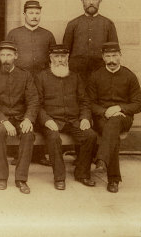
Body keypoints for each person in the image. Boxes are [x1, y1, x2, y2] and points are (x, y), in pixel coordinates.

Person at [35, 44, 98, 191]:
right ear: (51, 58)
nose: (60, 60)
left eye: (63, 56)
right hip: (52, 120)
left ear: (67, 58)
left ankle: (82, 173)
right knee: (54, 138)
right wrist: (46, 120)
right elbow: (36, 104)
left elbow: (84, 101)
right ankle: (59, 177)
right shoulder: (41, 77)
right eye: (56, 56)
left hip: (73, 120)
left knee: (90, 136)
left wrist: (84, 118)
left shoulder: (75, 77)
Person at [87, 42, 141, 193]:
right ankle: (113, 179)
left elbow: (138, 105)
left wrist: (119, 108)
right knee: (112, 132)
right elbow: (90, 103)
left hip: (123, 117)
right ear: (103, 57)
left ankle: (101, 159)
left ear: (120, 56)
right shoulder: (96, 76)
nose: (111, 60)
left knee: (115, 121)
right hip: (102, 117)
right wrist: (105, 112)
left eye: (114, 56)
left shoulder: (129, 76)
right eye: (108, 56)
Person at [6, 0, 56, 166]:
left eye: (37, 13)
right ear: (24, 15)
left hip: (41, 80)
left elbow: (53, 60)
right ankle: (16, 153)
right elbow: (8, 56)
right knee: (20, 111)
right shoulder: (14, 34)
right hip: (20, 80)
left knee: (39, 110)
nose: (34, 16)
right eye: (31, 13)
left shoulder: (48, 35)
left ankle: (40, 154)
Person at [0, 41, 38, 194]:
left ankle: (21, 179)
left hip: (20, 117)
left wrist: (28, 119)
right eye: (2, 55)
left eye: (9, 55)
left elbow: (33, 100)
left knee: (28, 134)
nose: (5, 58)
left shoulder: (25, 75)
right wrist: (3, 120)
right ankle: (2, 177)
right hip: (0, 117)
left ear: (16, 56)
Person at [63, 0, 118, 82]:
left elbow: (114, 52)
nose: (91, 2)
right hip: (77, 73)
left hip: (100, 72)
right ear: (82, 2)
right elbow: (65, 52)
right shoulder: (73, 24)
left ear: (100, 1)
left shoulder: (108, 24)